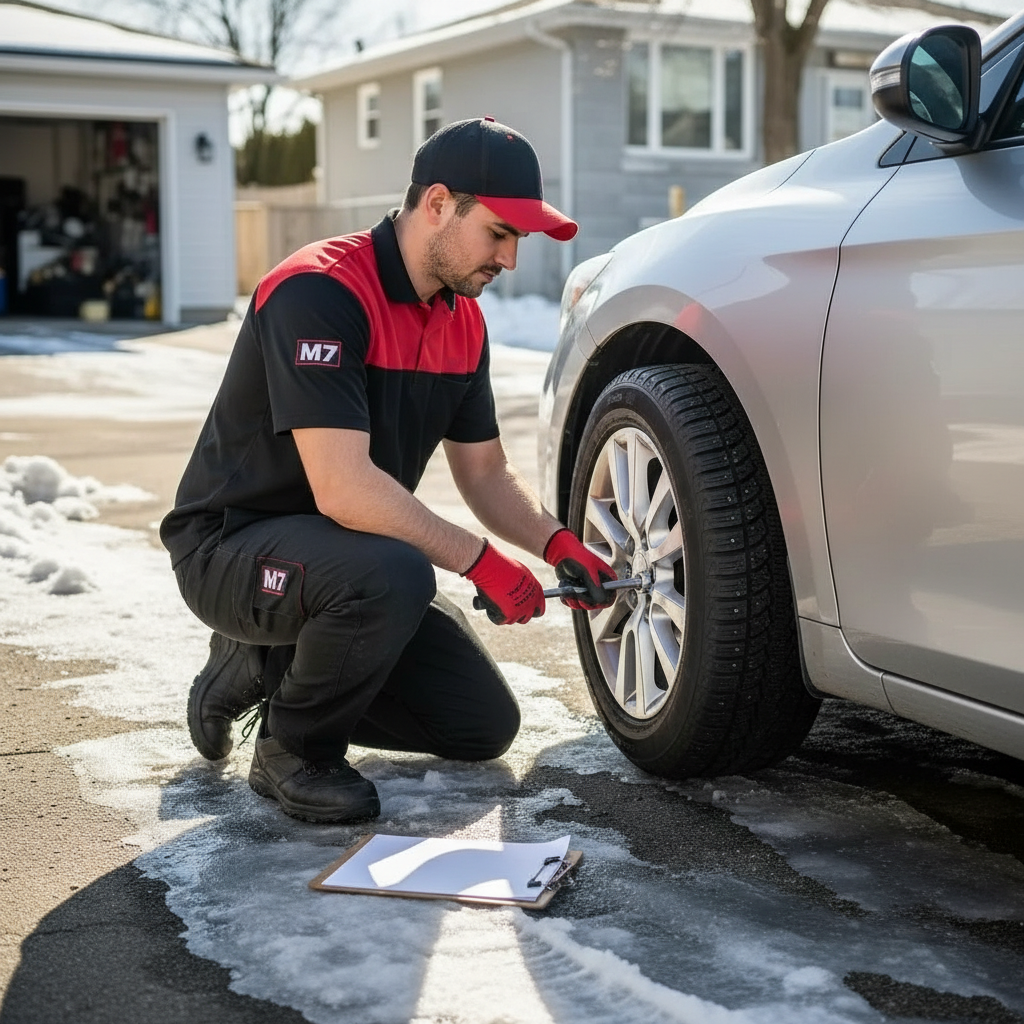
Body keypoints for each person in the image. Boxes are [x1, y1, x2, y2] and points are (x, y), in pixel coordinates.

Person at [159, 116, 615, 824]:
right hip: (232, 547)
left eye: (518, 240)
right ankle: (294, 747)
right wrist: (482, 563)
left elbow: (486, 473)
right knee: (397, 574)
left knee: (479, 727)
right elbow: (343, 487)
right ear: (438, 203)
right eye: (500, 232)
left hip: (346, 562)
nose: (511, 259)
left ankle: (263, 666)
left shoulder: (462, 320)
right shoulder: (320, 291)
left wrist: (556, 543)